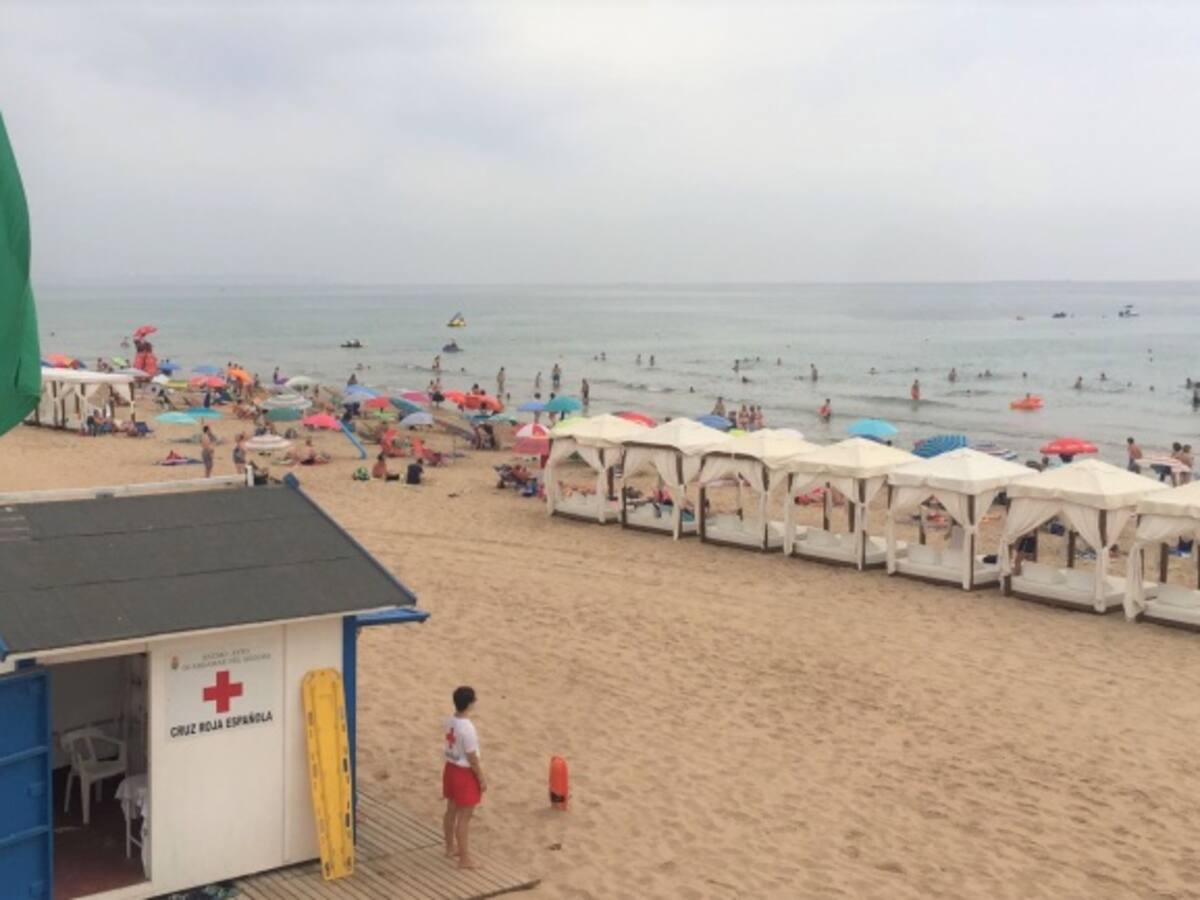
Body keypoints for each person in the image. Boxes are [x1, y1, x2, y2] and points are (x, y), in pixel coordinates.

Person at [442, 686, 486, 869]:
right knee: (465, 816)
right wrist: (481, 778)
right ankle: (464, 859)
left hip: (450, 768)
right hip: (464, 773)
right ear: (469, 703)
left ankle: (450, 848)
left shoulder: (449, 721)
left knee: (451, 809)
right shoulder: (468, 728)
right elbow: (472, 757)